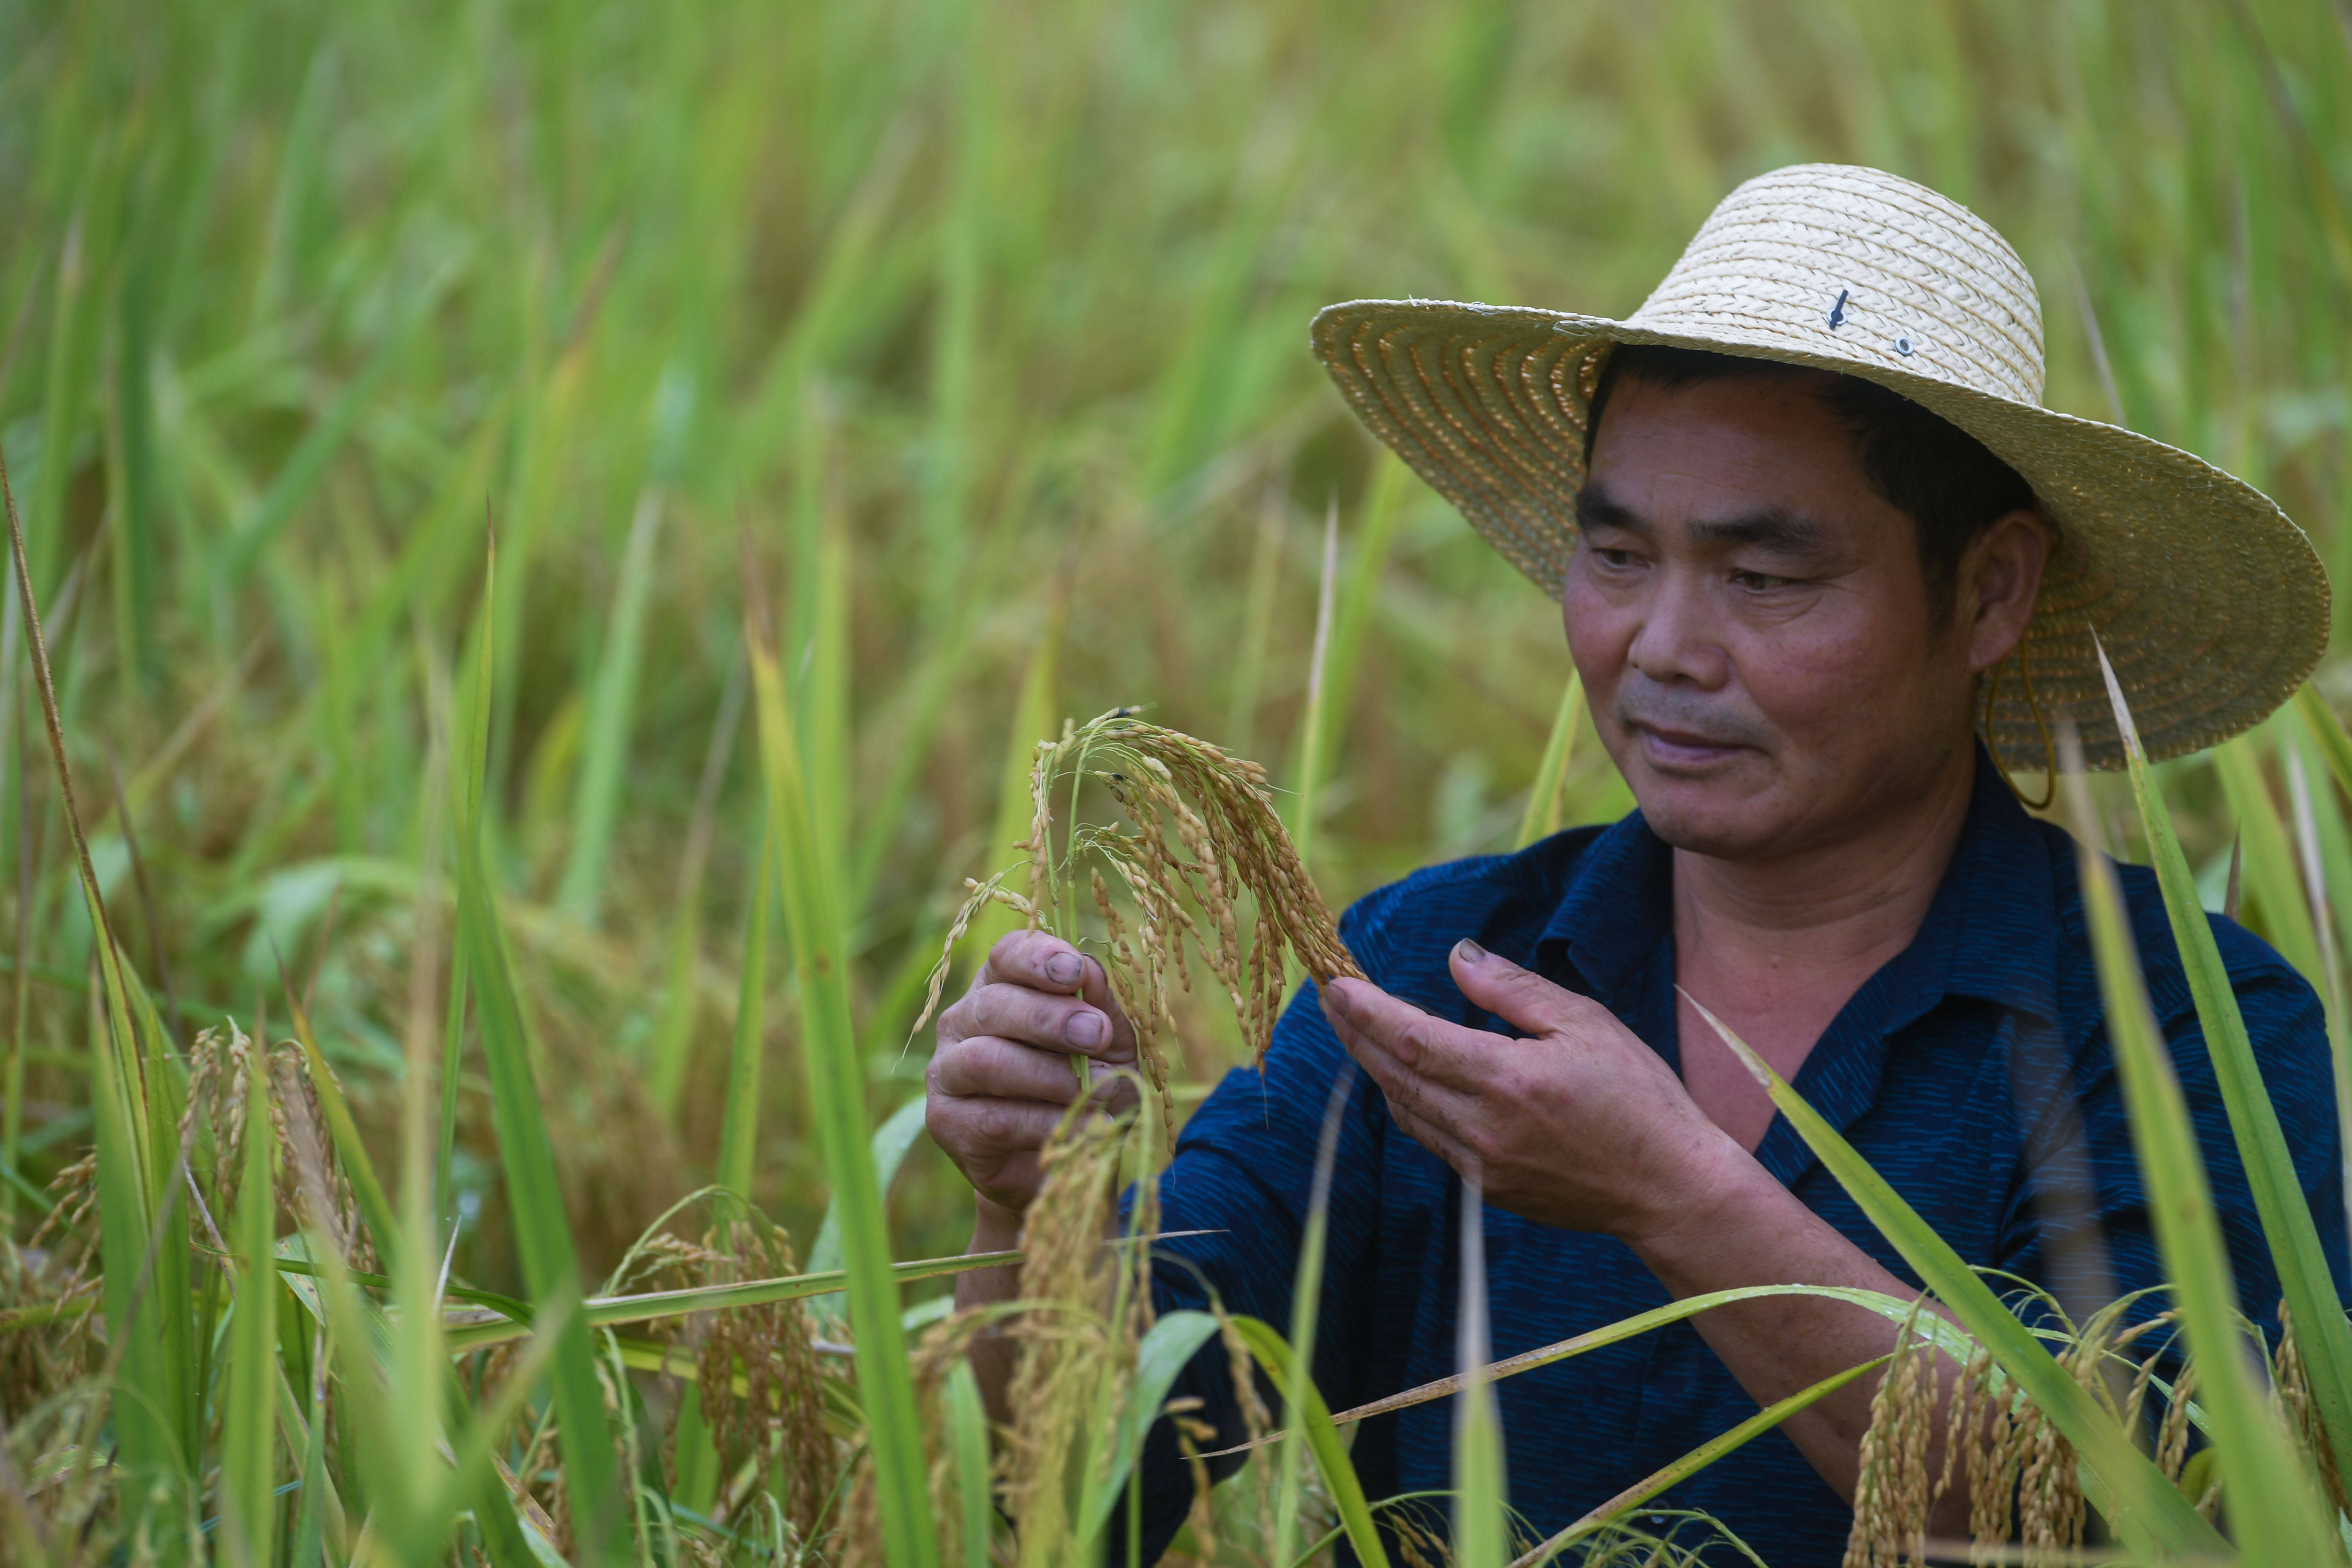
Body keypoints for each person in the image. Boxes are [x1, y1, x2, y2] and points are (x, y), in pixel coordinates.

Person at [924, 163, 2347, 1563]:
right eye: (1615, 556)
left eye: (1762, 577)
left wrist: (1677, 1194)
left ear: (1987, 591)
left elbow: (2163, 1511)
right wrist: (1025, 1202)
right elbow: (1066, 1494)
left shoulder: (2179, 1029)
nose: (1659, 648)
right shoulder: (1436, 974)